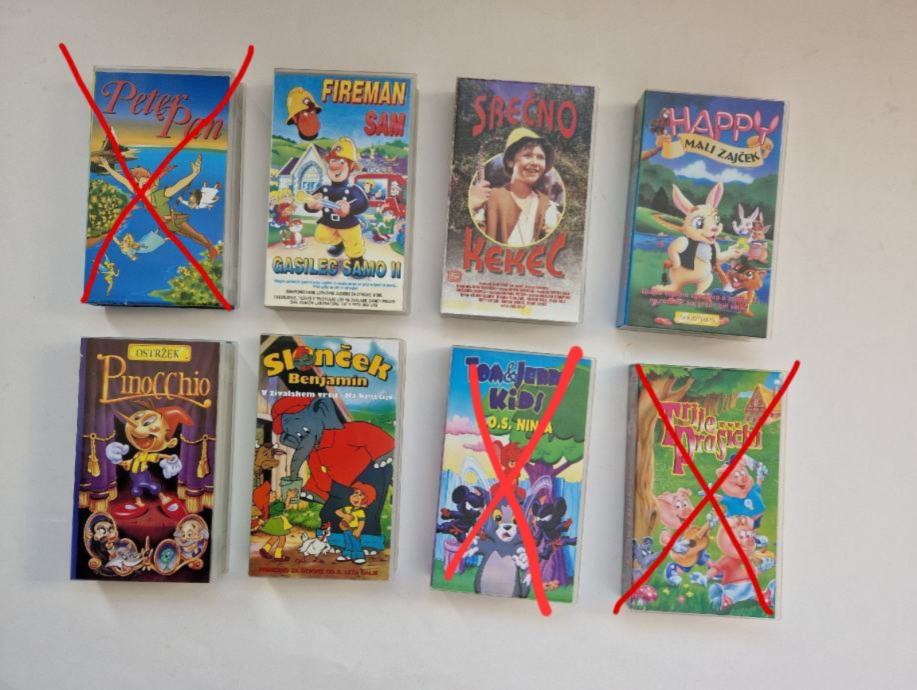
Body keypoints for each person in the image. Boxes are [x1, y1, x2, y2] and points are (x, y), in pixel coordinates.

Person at [98, 154, 218, 259]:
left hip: (175, 220)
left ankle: (211, 248)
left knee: (195, 235)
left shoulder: (160, 195)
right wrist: (108, 168)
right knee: (190, 237)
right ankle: (209, 248)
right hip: (167, 226)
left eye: (148, 183)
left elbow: (178, 186)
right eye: (142, 183)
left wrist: (194, 173)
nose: (145, 185)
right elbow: (123, 180)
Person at [469, 127, 561, 247]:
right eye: (527, 155)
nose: (535, 162)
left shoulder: (547, 205)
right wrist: (472, 204)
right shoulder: (490, 198)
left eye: (540, 157)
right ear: (510, 161)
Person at [335, 482, 377, 565]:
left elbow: (361, 522)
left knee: (356, 543)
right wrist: (345, 516)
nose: (356, 496)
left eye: (360, 495)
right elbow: (337, 511)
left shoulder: (360, 512)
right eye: (355, 493)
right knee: (347, 542)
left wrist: (358, 530)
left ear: (365, 500)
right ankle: (347, 555)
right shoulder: (348, 508)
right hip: (347, 530)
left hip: (355, 530)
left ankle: (359, 556)